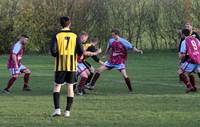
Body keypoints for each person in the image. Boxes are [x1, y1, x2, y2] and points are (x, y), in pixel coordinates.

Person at [50, 16, 101, 117]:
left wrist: (60, 55)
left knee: (57, 86)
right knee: (70, 87)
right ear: (69, 24)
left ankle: (57, 110)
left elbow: (53, 52)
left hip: (60, 66)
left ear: (61, 24)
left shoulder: (56, 35)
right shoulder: (75, 35)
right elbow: (81, 51)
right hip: (72, 65)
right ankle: (67, 112)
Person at [177, 28, 200, 93]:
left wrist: (181, 60)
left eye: (181, 34)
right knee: (190, 73)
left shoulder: (184, 41)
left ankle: (189, 86)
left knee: (180, 71)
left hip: (191, 60)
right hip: (198, 60)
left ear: (183, 34)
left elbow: (183, 54)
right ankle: (194, 87)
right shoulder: (196, 39)